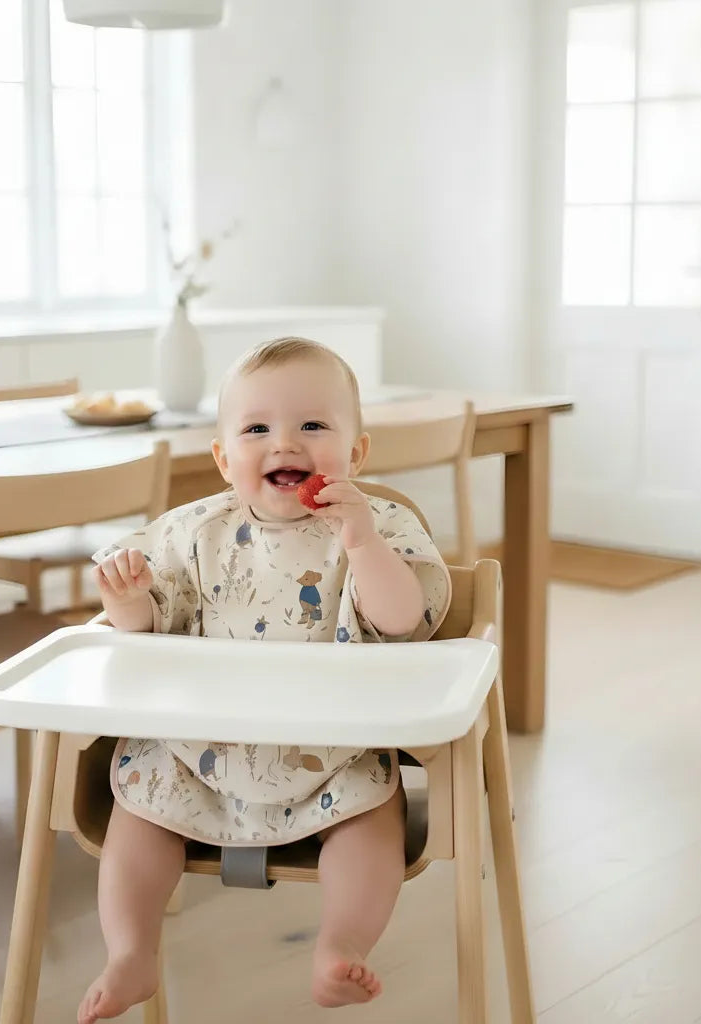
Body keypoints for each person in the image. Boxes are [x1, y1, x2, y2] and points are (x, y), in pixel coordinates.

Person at [80, 337, 451, 1024]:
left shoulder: (380, 526)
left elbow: (406, 622)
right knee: (140, 807)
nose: (286, 443)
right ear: (224, 459)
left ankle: (340, 944)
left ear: (357, 453)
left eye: (313, 425)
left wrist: (363, 543)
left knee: (375, 821)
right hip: (199, 750)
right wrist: (127, 599)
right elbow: (142, 635)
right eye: (257, 429)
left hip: (333, 754)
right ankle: (130, 951)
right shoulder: (192, 534)